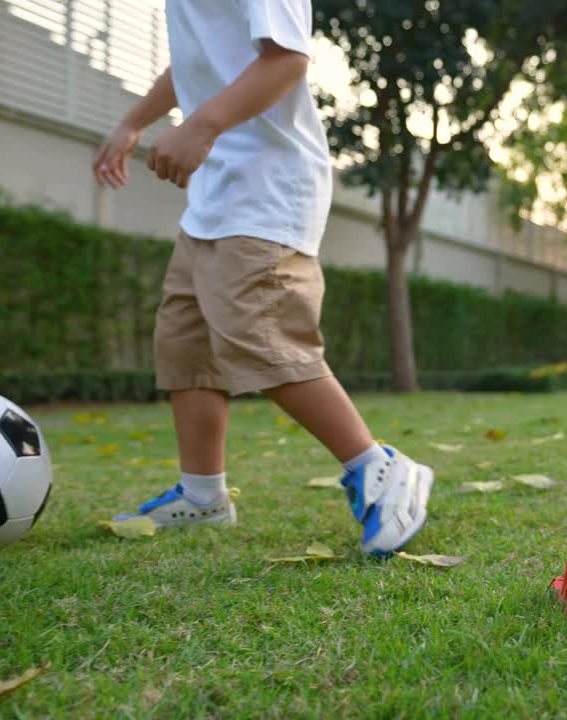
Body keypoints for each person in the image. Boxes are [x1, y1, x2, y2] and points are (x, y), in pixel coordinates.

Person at [92, 0, 432, 555]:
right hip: (216, 189)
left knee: (260, 332)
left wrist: (200, 127)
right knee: (186, 340)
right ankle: (203, 495)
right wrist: (133, 122)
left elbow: (286, 60)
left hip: (268, 185)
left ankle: (381, 468)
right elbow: (198, 61)